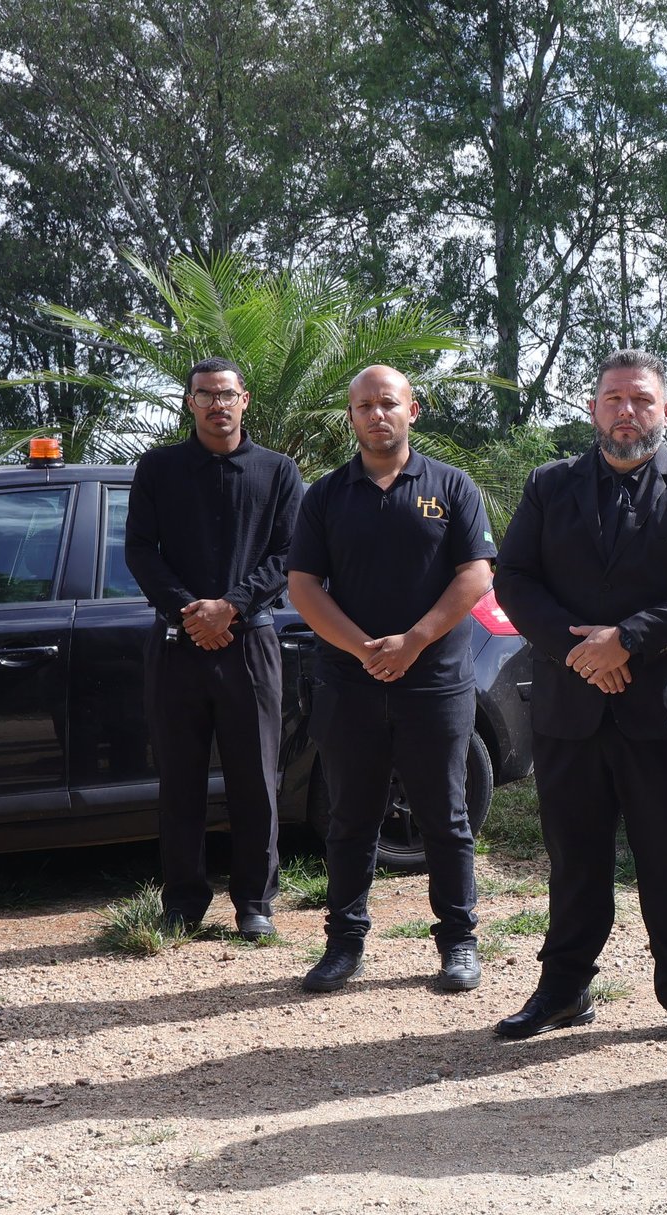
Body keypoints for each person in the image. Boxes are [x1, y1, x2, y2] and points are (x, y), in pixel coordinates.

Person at [490, 350, 667, 1044]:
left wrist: (624, 641)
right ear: (593, 409)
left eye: (641, 400)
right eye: (613, 399)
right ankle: (564, 989)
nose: (626, 412)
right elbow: (515, 581)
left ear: (666, 409)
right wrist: (582, 653)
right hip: (572, 705)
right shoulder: (549, 487)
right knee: (575, 858)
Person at [286, 365, 497, 994]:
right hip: (349, 684)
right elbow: (302, 586)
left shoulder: (452, 487)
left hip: (434, 681)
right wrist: (364, 649)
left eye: (388, 404)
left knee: (446, 816)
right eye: (363, 406)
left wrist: (413, 642)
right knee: (350, 816)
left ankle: (458, 942)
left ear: (413, 411)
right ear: (350, 417)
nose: (376, 415)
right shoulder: (324, 496)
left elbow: (476, 575)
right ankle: (343, 943)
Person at [126, 357, 302, 939]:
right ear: (190, 403)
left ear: (244, 400)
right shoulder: (158, 468)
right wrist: (190, 610)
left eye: (227, 394)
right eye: (205, 394)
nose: (217, 404)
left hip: (249, 645)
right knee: (179, 778)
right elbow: (140, 553)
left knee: (255, 778)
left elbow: (287, 556)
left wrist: (231, 607)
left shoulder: (278, 472)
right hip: (176, 646)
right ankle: (182, 901)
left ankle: (255, 903)